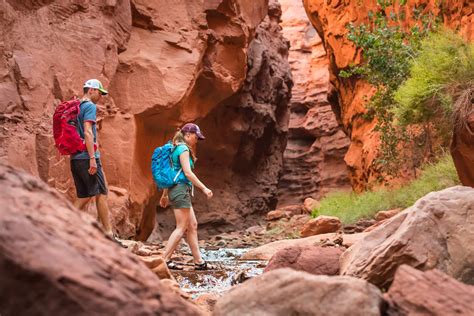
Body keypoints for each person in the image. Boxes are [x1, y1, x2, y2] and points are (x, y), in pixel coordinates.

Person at [160, 123, 213, 270]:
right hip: (180, 190)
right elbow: (188, 173)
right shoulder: (183, 148)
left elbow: (170, 173)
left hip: (175, 189)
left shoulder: (174, 147)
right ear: (188, 135)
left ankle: (198, 262)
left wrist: (165, 194)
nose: (197, 140)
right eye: (196, 137)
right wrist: (204, 188)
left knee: (192, 225)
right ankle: (164, 259)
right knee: (182, 226)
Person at [70, 79, 114, 238]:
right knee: (101, 192)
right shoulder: (89, 106)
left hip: (75, 157)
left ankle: (64, 224)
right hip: (87, 156)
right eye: (99, 93)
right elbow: (88, 132)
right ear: (91, 90)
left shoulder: (76, 107)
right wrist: (92, 158)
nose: (101, 96)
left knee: (84, 195)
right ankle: (108, 234)